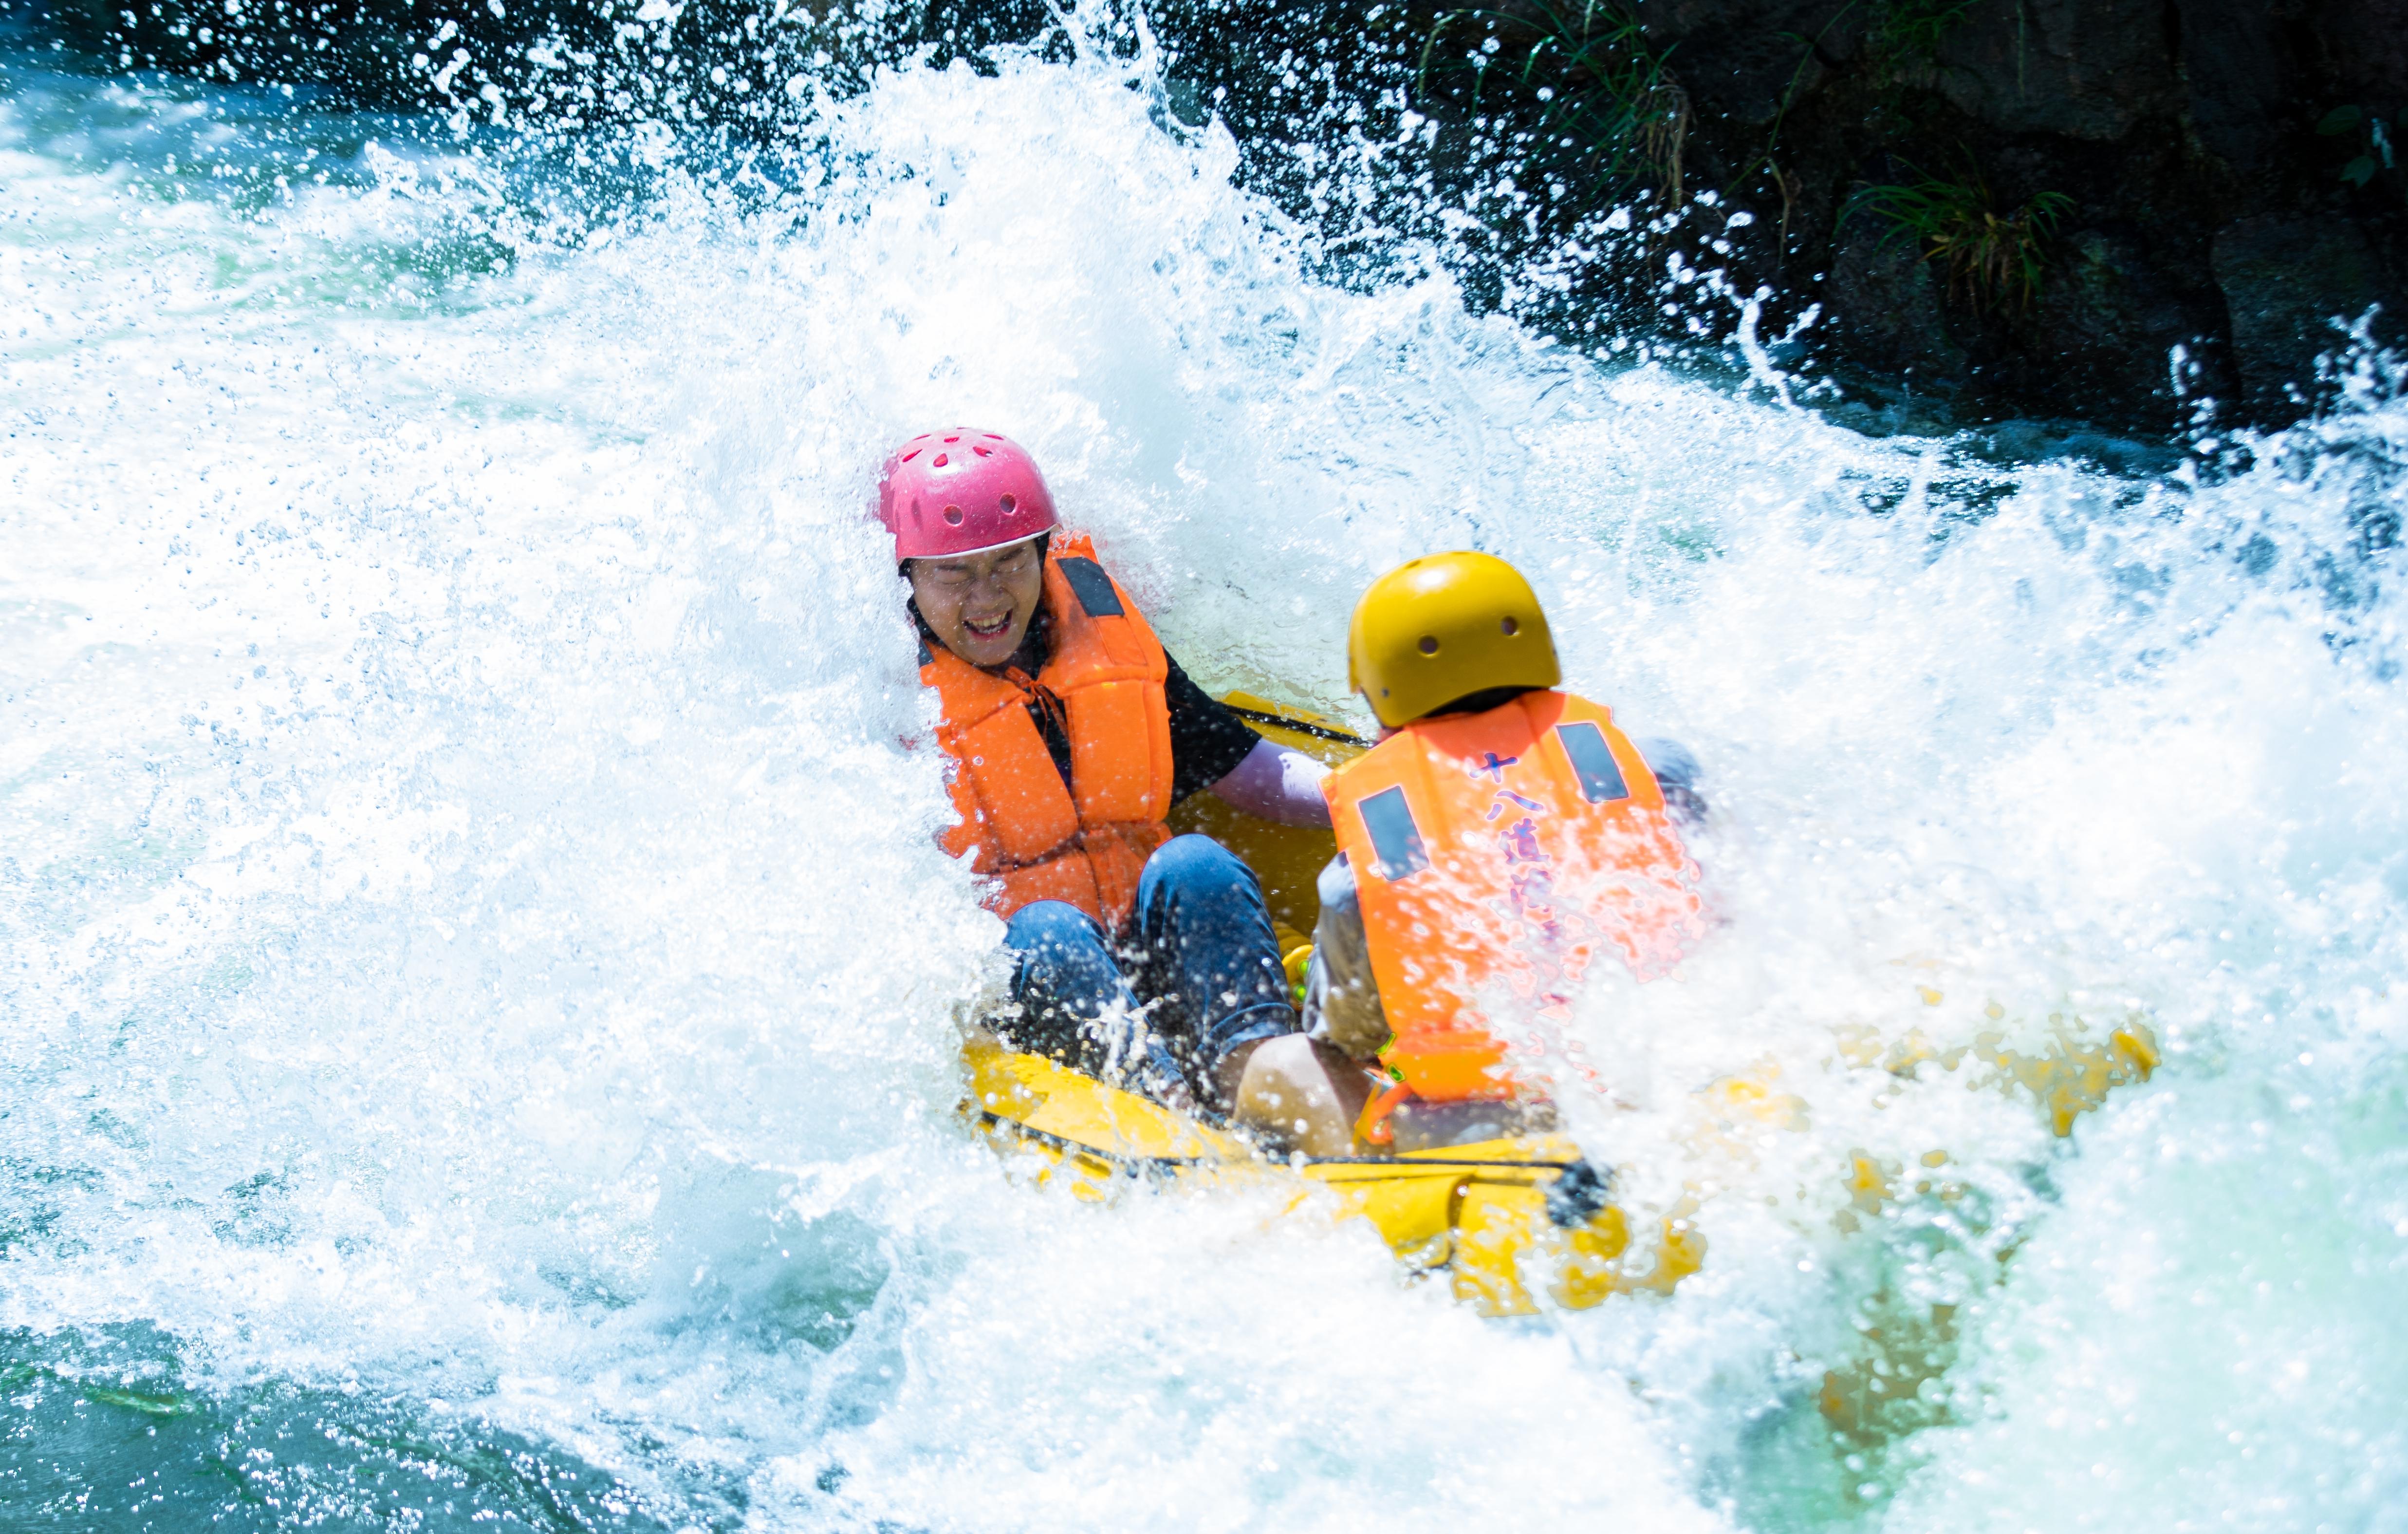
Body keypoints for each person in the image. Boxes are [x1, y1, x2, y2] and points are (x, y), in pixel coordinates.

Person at [882, 429, 1334, 1113]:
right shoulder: (884, 697)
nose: (987, 596)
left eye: (1009, 561)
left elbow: (1240, 764)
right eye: (954, 572)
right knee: (1050, 930)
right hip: (1038, 989)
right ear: (908, 579)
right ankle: (1164, 1105)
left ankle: (1263, 1075)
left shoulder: (1101, 632)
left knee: (1196, 862)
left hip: (1154, 957)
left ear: (1043, 554)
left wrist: (1367, 793)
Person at [1236, 551, 1712, 1154]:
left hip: (1488, 1133)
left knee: (1281, 1066)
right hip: (1670, 1081)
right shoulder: (1652, 765)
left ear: (1384, 688)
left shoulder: (1383, 834)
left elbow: (1349, 1033)